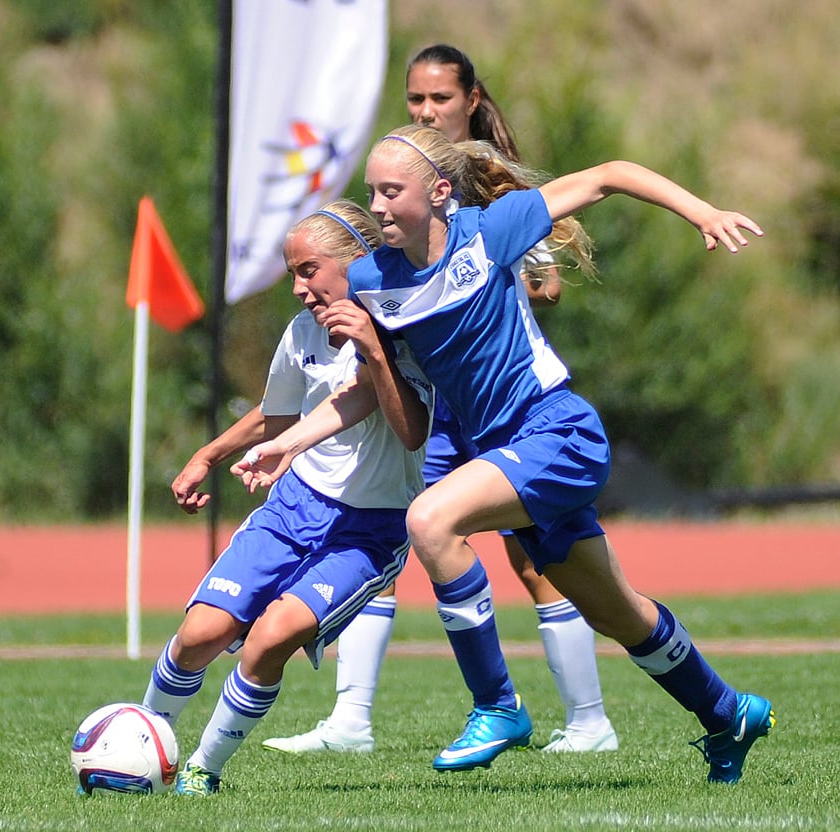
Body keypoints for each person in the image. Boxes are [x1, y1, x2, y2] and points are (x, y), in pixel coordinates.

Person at [235, 123, 774, 784]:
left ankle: (497, 705)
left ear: (438, 193)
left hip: (557, 432)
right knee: (618, 613)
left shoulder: (492, 230)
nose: (376, 207)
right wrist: (287, 441)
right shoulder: (374, 278)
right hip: (507, 453)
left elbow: (608, 175)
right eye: (371, 192)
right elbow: (378, 402)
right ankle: (728, 713)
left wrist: (702, 212)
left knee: (430, 520)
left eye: (391, 191)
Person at [261, 43, 617, 758]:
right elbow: (367, 268)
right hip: (431, 396)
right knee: (398, 527)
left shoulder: (481, 193)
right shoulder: (399, 177)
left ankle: (587, 719)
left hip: (499, 398)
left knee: (532, 554)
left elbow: (542, 281)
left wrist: (478, 286)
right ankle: (353, 720)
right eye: (416, 99)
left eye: (440, 100)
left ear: (472, 100)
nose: (426, 110)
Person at [141, 200, 433, 795]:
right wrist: (207, 456)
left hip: (368, 530)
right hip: (293, 507)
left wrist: (374, 349)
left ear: (357, 262)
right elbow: (275, 415)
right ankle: (146, 743)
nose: (299, 288)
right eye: (293, 272)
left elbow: (411, 432)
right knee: (200, 633)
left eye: (309, 270)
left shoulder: (406, 329)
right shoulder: (303, 331)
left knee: (272, 637)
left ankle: (203, 769)